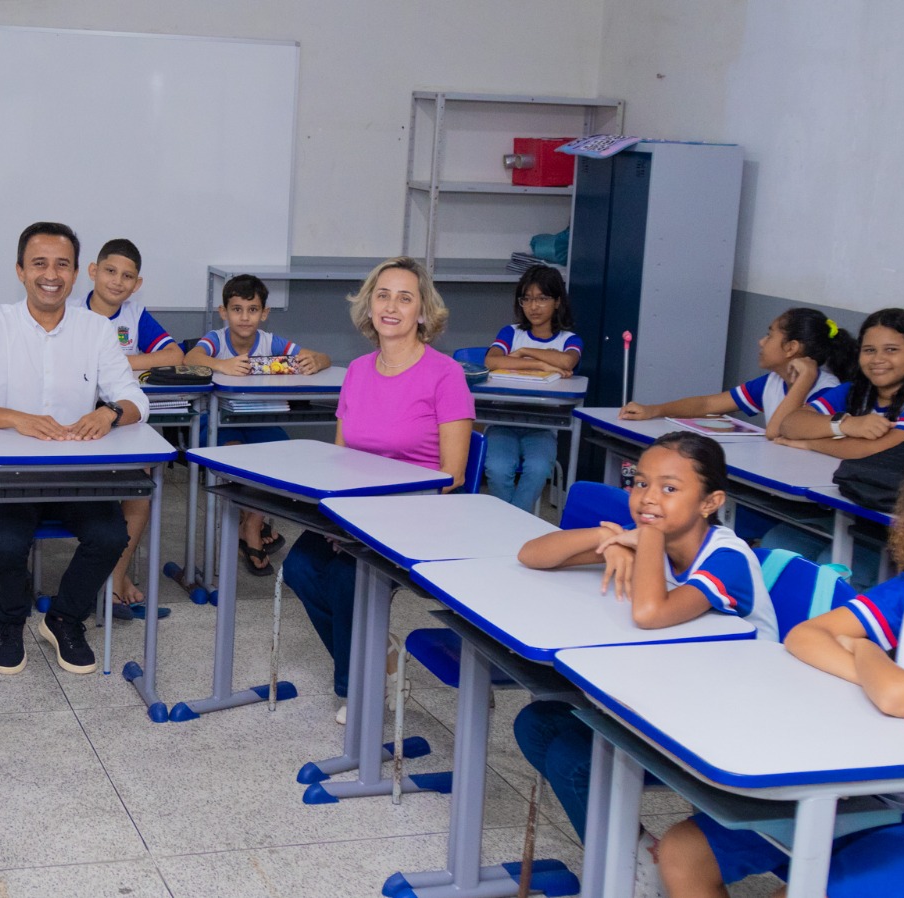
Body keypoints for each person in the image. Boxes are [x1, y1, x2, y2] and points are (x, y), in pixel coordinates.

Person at [654, 434, 904, 898]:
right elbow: (805, 636)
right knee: (685, 851)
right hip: (884, 789)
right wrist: (885, 680)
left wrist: (868, 654)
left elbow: (897, 696)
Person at [513, 432, 773, 843]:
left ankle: (626, 870)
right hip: (678, 694)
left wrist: (644, 539)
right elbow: (532, 554)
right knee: (537, 724)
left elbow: (650, 614)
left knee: (572, 758)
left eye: (669, 489)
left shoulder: (727, 558)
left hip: (737, 719)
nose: (649, 498)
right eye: (641, 483)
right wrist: (606, 539)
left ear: (710, 503)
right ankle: (634, 862)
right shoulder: (658, 537)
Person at [0, 221, 148, 675]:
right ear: (19, 271)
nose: (50, 274)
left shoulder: (95, 330)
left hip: (76, 473)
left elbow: (136, 400)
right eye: (39, 264)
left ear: (76, 274)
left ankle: (65, 618)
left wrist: (109, 413)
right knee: (6, 542)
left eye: (62, 265)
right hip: (7, 474)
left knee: (111, 534)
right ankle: (10, 623)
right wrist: (17, 418)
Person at [281, 256, 472, 723]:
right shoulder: (358, 371)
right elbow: (340, 458)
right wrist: (339, 514)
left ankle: (361, 689)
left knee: (349, 578)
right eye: (382, 295)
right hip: (355, 512)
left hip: (418, 514)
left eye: (405, 298)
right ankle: (376, 655)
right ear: (368, 307)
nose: (391, 306)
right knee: (301, 568)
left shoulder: (446, 376)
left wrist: (375, 520)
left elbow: (455, 475)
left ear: (423, 312)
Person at [184, 274, 333, 575]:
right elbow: (191, 357)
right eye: (237, 309)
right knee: (239, 458)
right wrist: (222, 364)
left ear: (264, 313)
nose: (244, 317)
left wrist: (317, 361)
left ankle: (251, 525)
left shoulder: (271, 342)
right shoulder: (215, 339)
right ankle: (250, 527)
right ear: (223, 312)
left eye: (252, 309)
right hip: (217, 423)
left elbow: (321, 356)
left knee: (280, 456)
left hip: (258, 419)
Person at [84, 238, 180, 615]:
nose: (117, 282)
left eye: (127, 276)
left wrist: (119, 364)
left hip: (123, 419)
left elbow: (174, 354)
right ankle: (108, 577)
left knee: (142, 481)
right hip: (78, 422)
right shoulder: (72, 312)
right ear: (93, 272)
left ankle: (115, 575)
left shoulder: (136, 315)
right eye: (109, 271)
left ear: (137, 283)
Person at [621, 307, 857, 438]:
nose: (761, 341)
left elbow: (776, 431)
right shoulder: (772, 382)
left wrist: (804, 379)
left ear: (791, 348)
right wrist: (655, 410)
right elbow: (707, 405)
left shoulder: (828, 390)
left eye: (770, 335)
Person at [777, 307, 904, 458]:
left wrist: (810, 443)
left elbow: (877, 452)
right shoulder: (856, 390)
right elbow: (790, 424)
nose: (878, 359)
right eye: (869, 350)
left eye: (891, 350)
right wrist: (846, 425)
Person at [480, 265, 582, 511]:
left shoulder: (568, 339)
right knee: (497, 468)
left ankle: (511, 524)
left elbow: (568, 361)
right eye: (527, 299)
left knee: (537, 470)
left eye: (542, 299)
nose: (533, 307)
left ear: (557, 302)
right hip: (502, 419)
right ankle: (515, 527)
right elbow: (491, 361)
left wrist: (524, 352)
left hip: (543, 426)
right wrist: (539, 362)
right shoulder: (511, 333)